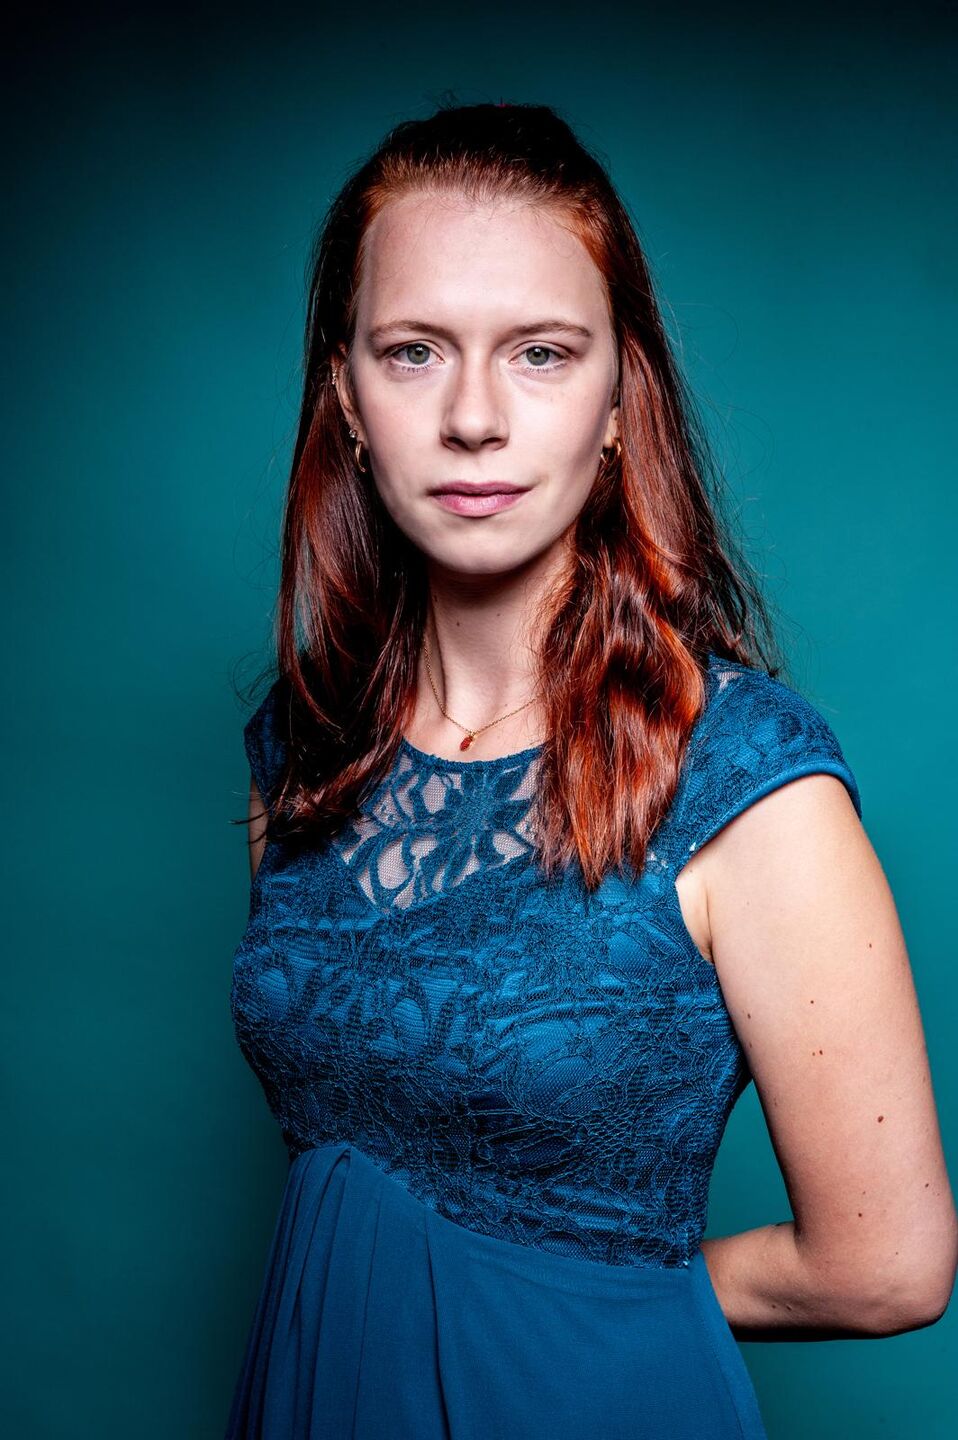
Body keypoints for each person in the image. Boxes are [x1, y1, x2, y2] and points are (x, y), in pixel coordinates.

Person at [224, 102, 956, 1439]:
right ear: (345, 398)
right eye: (413, 352)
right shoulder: (302, 745)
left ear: (620, 401)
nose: (474, 418)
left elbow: (886, 1266)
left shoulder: (747, 780)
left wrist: (562, 1301)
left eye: (542, 354)